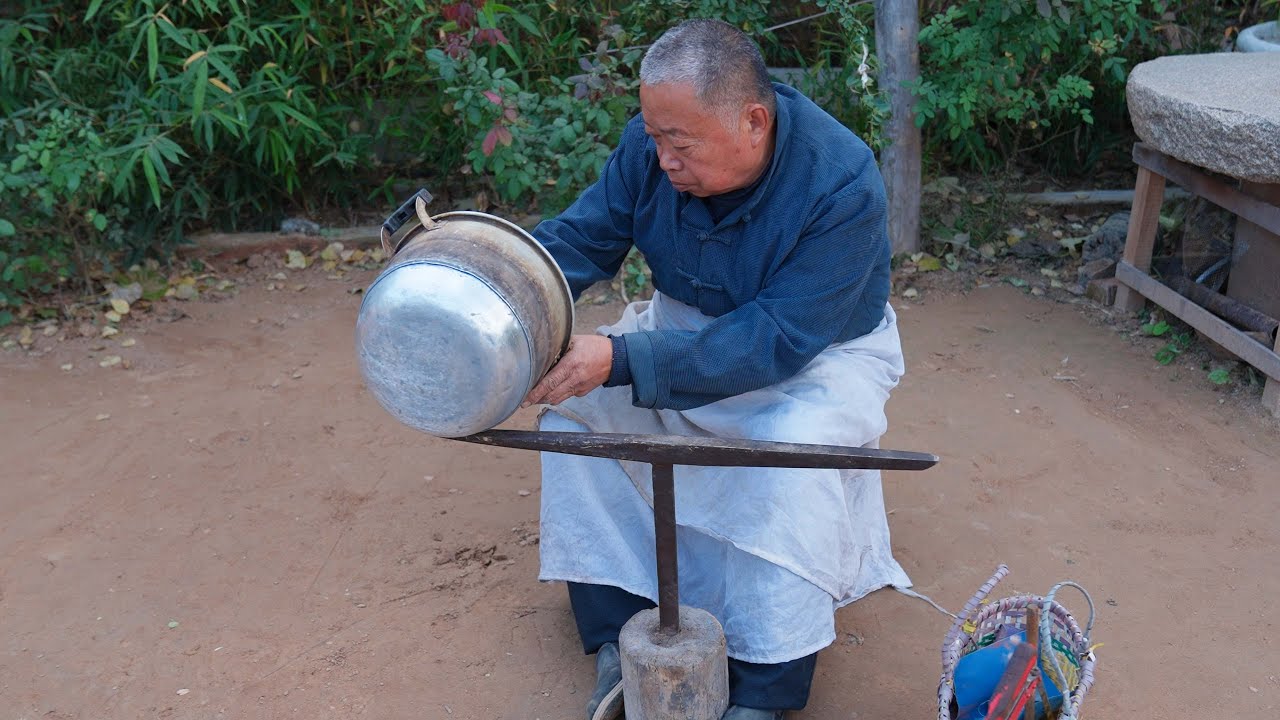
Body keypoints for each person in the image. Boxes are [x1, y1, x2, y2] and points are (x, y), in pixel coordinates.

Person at [525, 18, 910, 720]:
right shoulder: (653, 144)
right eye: (654, 138)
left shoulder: (842, 181)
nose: (663, 159)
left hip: (814, 361)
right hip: (677, 329)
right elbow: (582, 238)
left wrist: (617, 357)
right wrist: (510, 292)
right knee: (574, 421)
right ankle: (621, 631)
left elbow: (773, 339)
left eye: (681, 143)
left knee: (789, 466)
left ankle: (765, 684)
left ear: (753, 121)